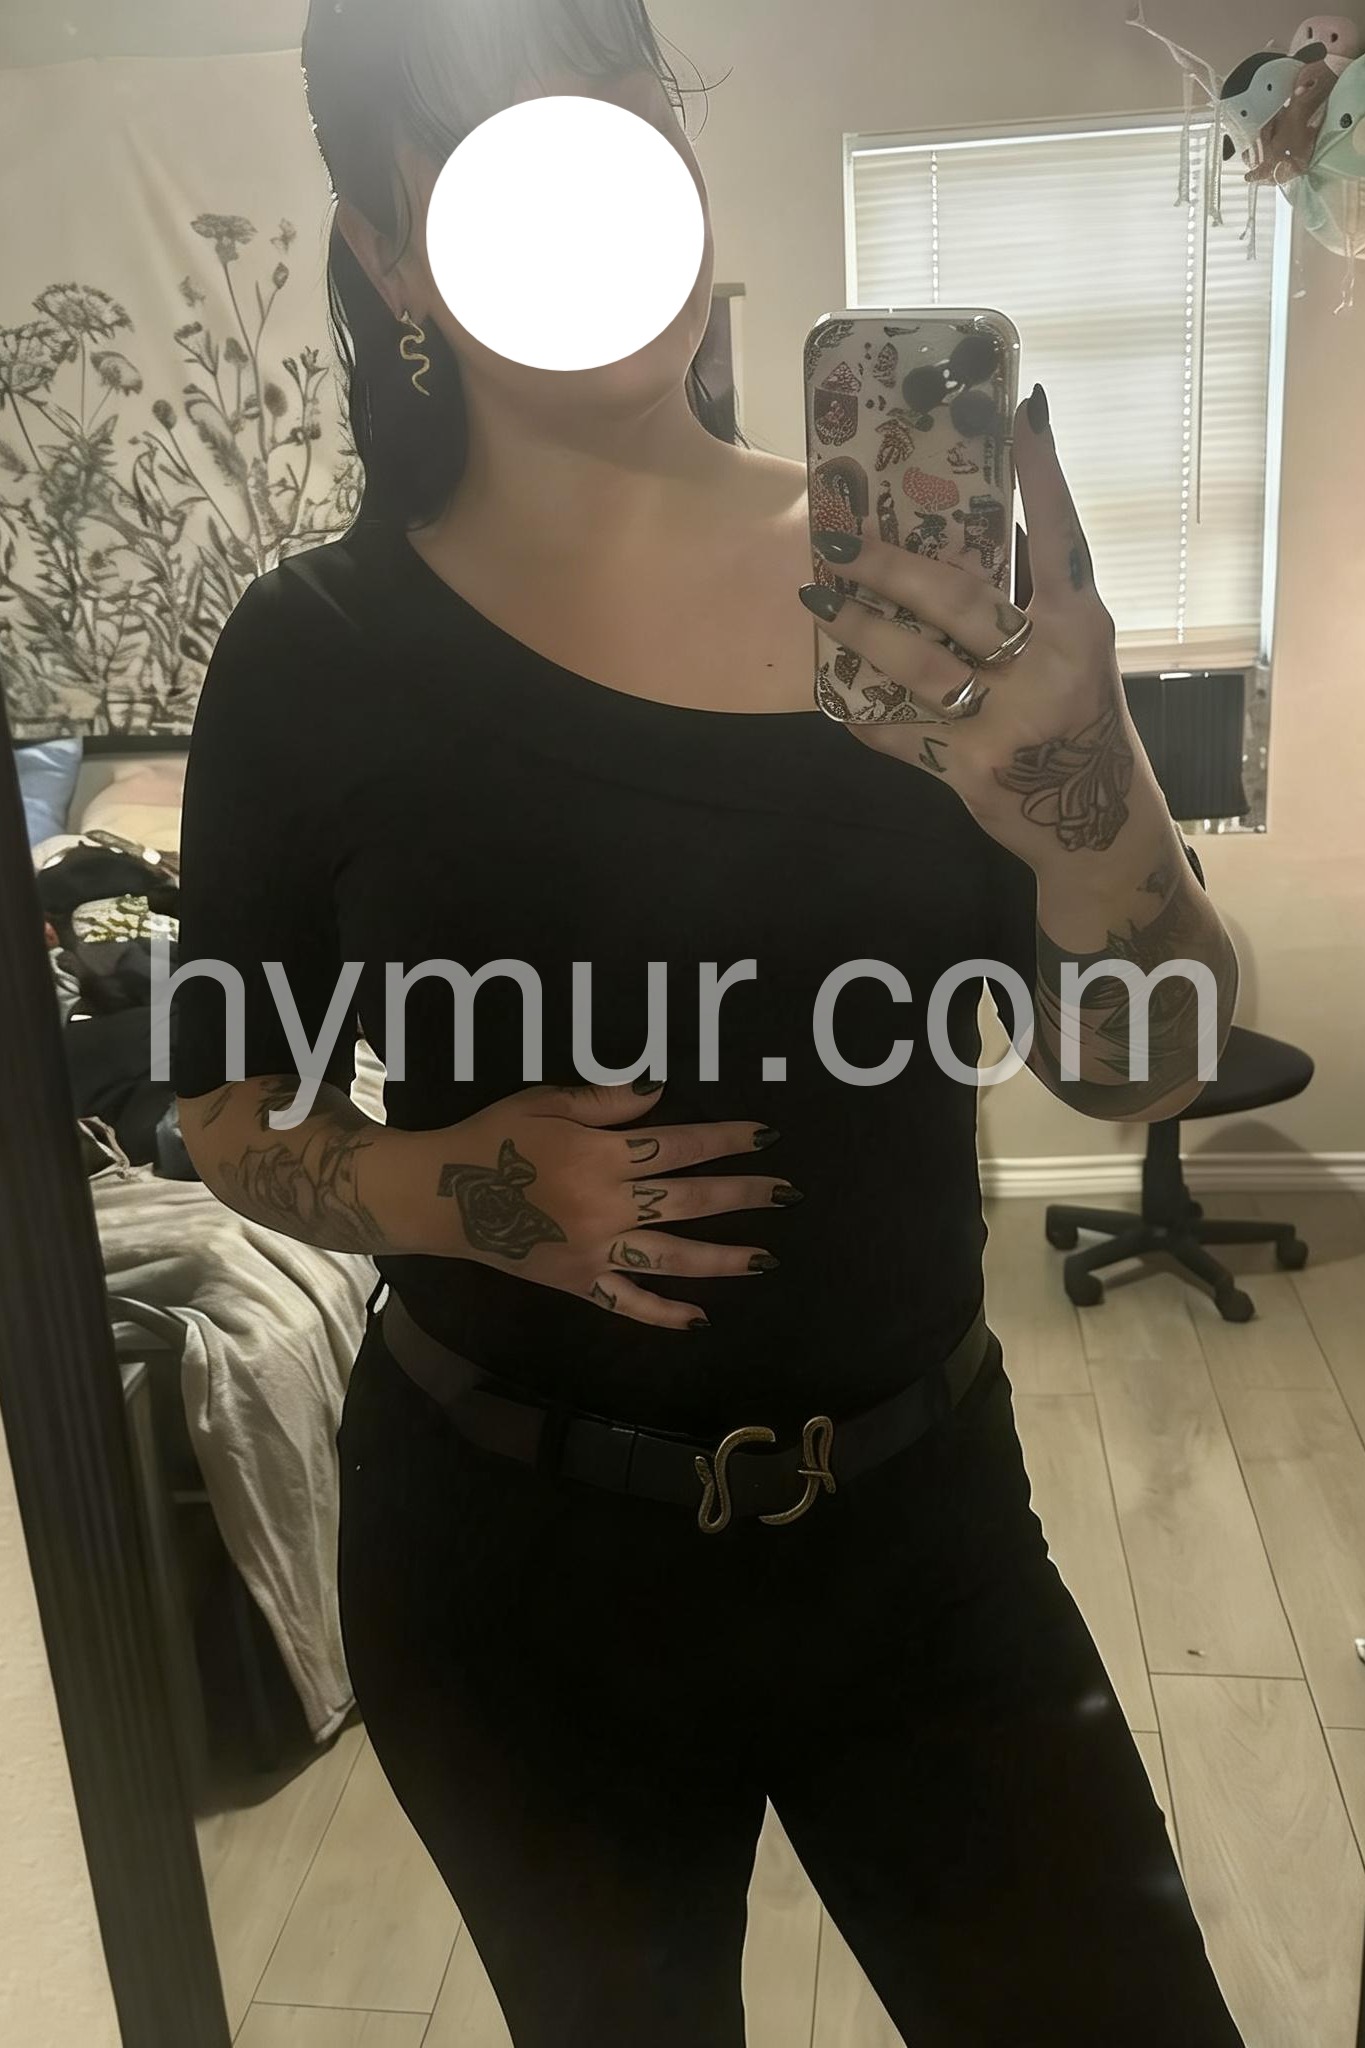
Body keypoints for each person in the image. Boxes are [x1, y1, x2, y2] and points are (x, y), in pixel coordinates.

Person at [172, 3, 1246, 2041]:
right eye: (494, 162)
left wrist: (1084, 810)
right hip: (512, 1574)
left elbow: (1156, 1067)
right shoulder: (313, 658)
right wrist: (448, 1187)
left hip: (920, 1534)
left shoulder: (919, 609)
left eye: (620, 117)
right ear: (391, 255)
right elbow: (217, 1109)